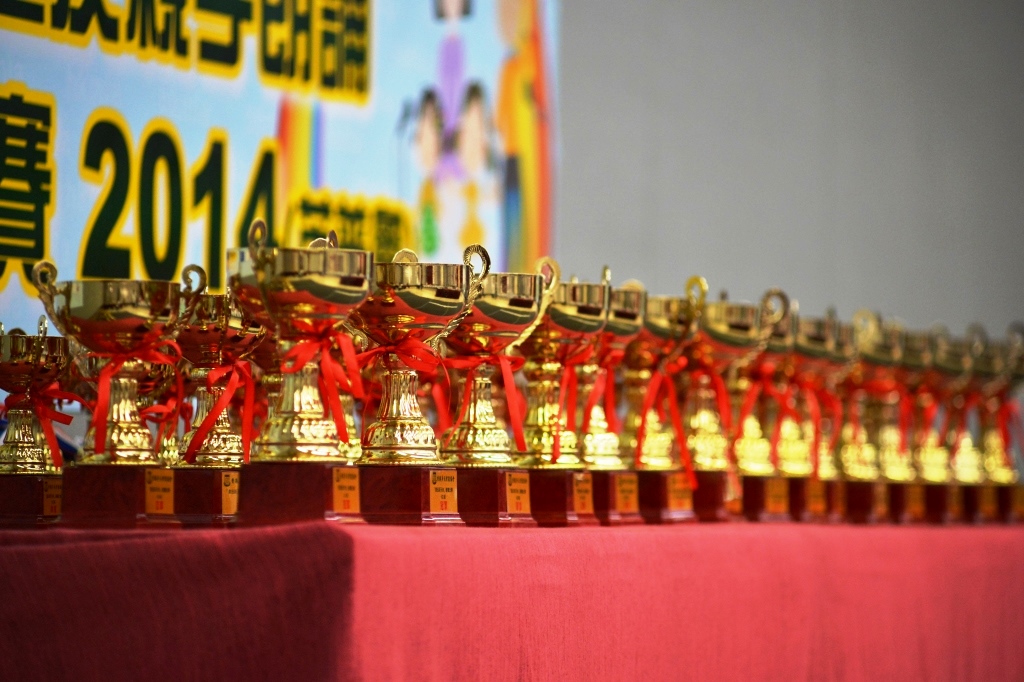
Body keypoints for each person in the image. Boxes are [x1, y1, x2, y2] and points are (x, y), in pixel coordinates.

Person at [414, 90, 442, 256]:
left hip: (433, 174)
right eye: (428, 105)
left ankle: (431, 247)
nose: (430, 108)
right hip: (424, 170)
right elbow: (419, 143)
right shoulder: (421, 122)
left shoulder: (438, 123)